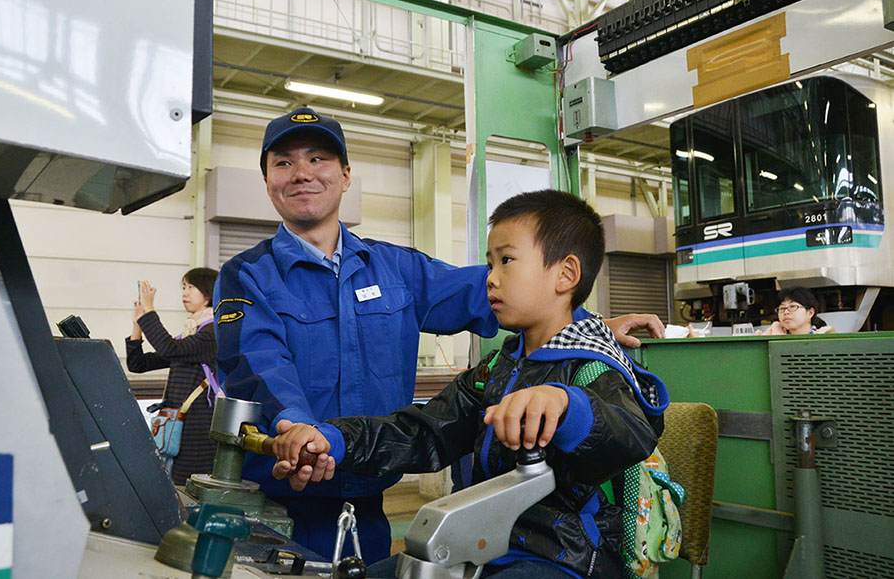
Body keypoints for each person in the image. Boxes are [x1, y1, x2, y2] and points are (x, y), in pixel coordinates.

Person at [213, 107, 666, 563]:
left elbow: (529, 292)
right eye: (284, 163)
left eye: (317, 159)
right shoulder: (246, 275)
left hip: (367, 503)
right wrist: (301, 429)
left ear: (346, 175)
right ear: (268, 179)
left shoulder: (398, 270)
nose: (301, 174)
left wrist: (588, 325)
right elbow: (259, 362)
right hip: (281, 496)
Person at [271, 189, 669, 578]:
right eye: (489, 263)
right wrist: (333, 440)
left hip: (564, 559)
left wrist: (568, 406)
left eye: (506, 261)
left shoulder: (594, 367)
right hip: (482, 546)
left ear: (566, 274)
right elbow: (422, 433)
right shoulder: (495, 369)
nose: (490, 279)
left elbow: (631, 433)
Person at [127, 268, 220, 485]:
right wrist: (137, 326)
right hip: (177, 424)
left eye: (191, 287)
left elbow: (170, 349)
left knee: (188, 486)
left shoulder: (214, 333)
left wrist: (150, 310)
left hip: (199, 428)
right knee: (171, 484)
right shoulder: (191, 332)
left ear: (208, 293)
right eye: (183, 287)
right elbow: (138, 364)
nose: (184, 294)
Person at [755, 287, 836, 335]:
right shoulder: (774, 337)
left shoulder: (825, 337)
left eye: (793, 306)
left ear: (810, 313)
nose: (786, 312)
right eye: (782, 308)